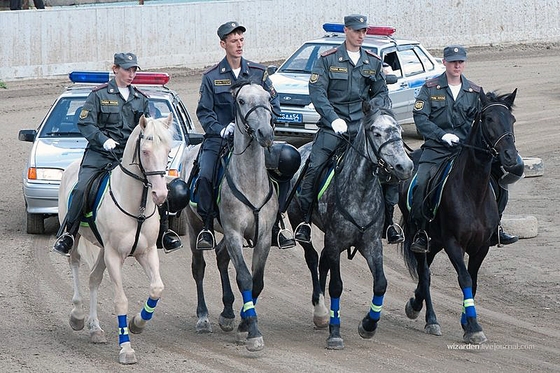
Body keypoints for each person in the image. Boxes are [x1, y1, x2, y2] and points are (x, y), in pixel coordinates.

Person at [53, 52, 182, 256]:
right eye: (126, 69)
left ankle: (165, 232)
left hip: (129, 156)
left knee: (159, 186)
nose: (131, 74)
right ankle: (69, 234)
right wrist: (103, 140)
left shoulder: (141, 98)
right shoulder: (99, 95)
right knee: (81, 188)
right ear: (115, 69)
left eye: (133, 70)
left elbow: (148, 129)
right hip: (100, 154)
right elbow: (85, 123)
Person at [293, 14, 403, 245]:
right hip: (334, 128)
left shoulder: (372, 61)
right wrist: (333, 118)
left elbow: (381, 92)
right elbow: (317, 92)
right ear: (346, 31)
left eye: (363, 31)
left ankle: (389, 222)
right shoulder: (327, 59)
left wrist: (374, 112)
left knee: (391, 168)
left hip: (363, 129)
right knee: (314, 166)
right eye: (356, 31)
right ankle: (304, 220)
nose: (361, 35)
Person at [409, 45, 518, 253]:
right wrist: (442, 135)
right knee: (421, 183)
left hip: (466, 151)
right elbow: (420, 118)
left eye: (460, 61)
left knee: (500, 182)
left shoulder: (475, 92)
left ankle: (496, 226)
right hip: (437, 149)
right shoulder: (430, 88)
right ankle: (421, 232)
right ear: (444, 63)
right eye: (452, 61)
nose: (457, 65)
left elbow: (486, 122)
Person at [195, 21, 287, 250]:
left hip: (255, 140)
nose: (239, 45)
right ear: (223, 44)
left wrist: (267, 123)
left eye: (241, 40)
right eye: (234, 41)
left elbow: (274, 103)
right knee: (205, 174)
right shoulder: (211, 76)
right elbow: (204, 112)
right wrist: (220, 129)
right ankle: (207, 227)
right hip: (221, 139)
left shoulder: (258, 72)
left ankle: (278, 223)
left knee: (284, 166)